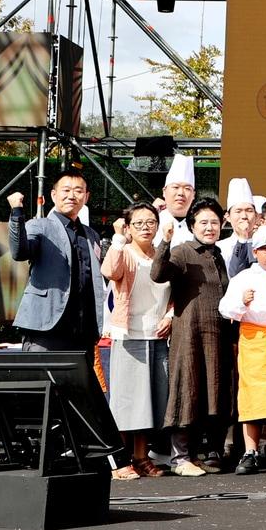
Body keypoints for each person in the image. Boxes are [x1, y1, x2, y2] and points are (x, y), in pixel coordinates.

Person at [152, 196, 232, 477]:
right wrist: (164, 242)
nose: (210, 227)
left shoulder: (218, 254)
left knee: (213, 391)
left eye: (215, 222)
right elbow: (158, 274)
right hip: (190, 334)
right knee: (187, 387)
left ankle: (204, 452)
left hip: (218, 335)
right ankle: (181, 457)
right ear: (192, 226)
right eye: (203, 222)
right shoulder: (183, 251)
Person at [101, 201, 173, 479]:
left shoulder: (162, 254)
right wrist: (118, 239)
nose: (146, 227)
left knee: (150, 401)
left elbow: (174, 292)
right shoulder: (124, 251)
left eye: (150, 222)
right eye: (139, 223)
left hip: (156, 335)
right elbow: (110, 271)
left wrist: (171, 315)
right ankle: (119, 461)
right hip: (129, 334)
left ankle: (142, 458)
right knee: (125, 401)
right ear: (129, 227)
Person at [219, 225, 266, 475]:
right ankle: (250, 452)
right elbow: (225, 309)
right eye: (265, 249)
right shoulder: (244, 278)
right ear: (255, 251)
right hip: (255, 341)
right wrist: (242, 301)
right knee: (252, 399)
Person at [8, 168, 104, 359]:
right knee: (42, 385)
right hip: (46, 327)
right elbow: (19, 252)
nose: (72, 196)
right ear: (53, 195)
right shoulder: (40, 226)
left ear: (86, 197)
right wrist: (17, 212)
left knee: (78, 388)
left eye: (78, 191)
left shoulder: (91, 235)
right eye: (66, 190)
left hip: (83, 329)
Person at [220, 178, 259, 278]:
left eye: (249, 210)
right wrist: (242, 238)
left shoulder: (264, 244)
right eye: (238, 211)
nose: (244, 216)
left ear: (257, 216)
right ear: (228, 217)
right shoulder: (219, 247)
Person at [161, 153, 198, 247]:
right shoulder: (153, 222)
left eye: (187, 188)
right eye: (176, 187)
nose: (181, 193)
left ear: (193, 194)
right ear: (164, 191)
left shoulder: (200, 224)